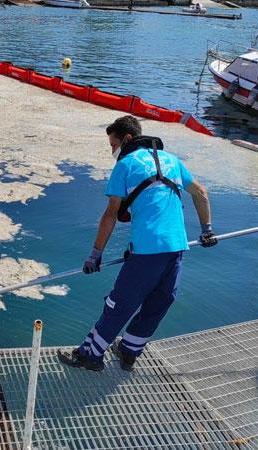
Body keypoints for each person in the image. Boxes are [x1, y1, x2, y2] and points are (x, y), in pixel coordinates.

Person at [57, 115, 217, 372]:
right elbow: (201, 193)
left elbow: (111, 214)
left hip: (148, 250)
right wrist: (207, 230)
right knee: (159, 302)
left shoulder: (126, 164)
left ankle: (89, 355)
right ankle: (130, 352)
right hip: (176, 247)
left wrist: (95, 253)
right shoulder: (172, 160)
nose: (112, 151)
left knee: (119, 303)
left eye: (112, 145)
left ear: (127, 139)